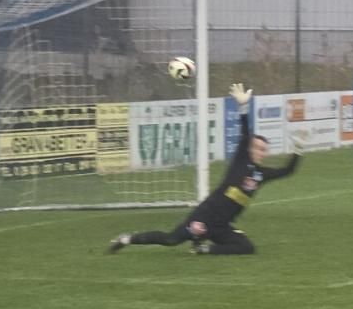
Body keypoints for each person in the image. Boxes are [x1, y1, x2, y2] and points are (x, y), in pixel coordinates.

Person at [108, 83, 302, 256]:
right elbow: (245, 132)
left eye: (264, 150)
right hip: (205, 217)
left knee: (247, 248)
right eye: (257, 147)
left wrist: (298, 151)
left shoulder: (262, 174)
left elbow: (288, 171)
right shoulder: (241, 159)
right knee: (172, 239)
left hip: (222, 226)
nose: (260, 151)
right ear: (250, 147)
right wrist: (243, 106)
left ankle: (204, 248)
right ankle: (126, 239)